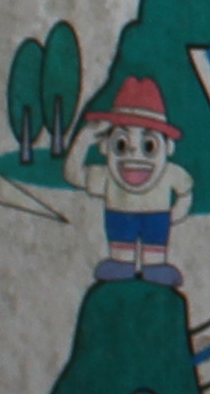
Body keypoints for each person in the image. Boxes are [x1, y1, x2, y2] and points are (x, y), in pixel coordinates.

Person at [69, 75, 193, 285]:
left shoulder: (170, 174)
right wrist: (83, 140)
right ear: (105, 146)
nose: (134, 152)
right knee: (121, 250)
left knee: (154, 253)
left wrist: (175, 214)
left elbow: (185, 192)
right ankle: (122, 263)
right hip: (120, 216)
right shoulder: (107, 176)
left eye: (149, 146)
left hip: (157, 218)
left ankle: (155, 266)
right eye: (121, 144)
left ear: (168, 148)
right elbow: (74, 175)